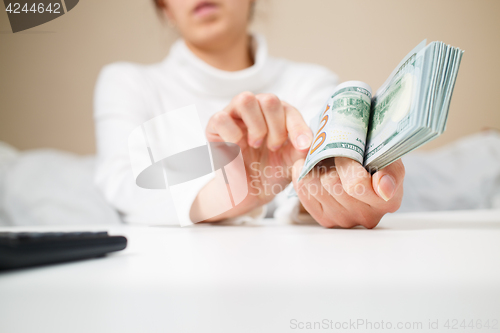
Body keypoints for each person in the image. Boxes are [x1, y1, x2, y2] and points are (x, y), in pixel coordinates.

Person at [94, 0, 405, 228]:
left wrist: (348, 188)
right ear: (164, 8)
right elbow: (121, 184)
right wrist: (226, 194)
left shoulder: (312, 82)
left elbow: (327, 180)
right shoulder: (129, 82)